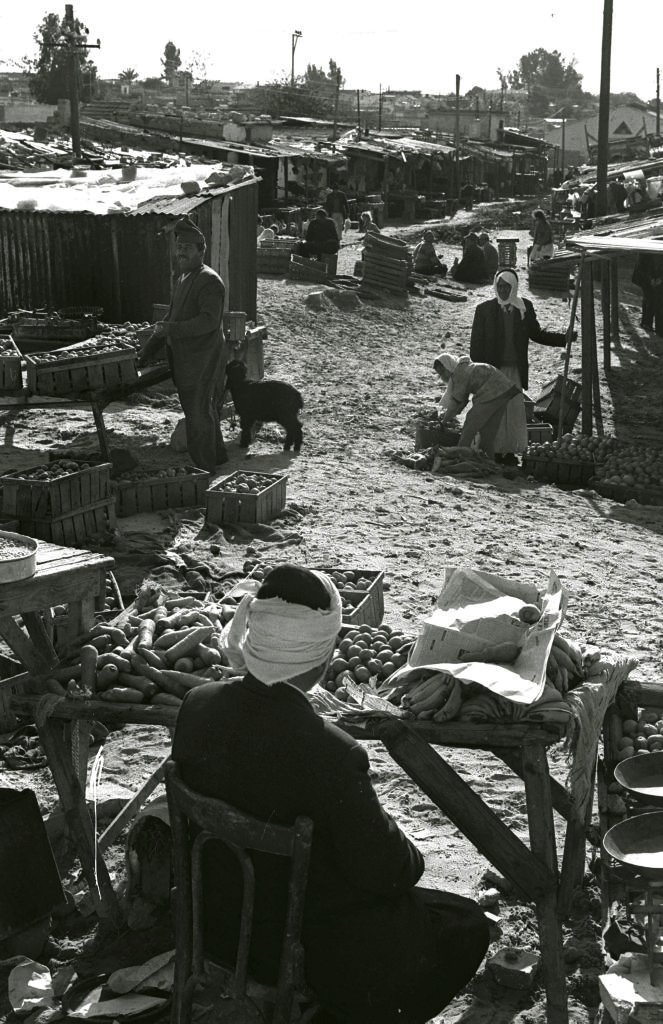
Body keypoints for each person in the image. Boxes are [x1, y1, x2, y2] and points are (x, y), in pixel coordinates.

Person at [172, 564, 490, 1024]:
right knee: (464, 924)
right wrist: (406, 850)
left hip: (215, 928)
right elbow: (388, 873)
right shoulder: (331, 751)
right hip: (295, 949)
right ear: (323, 658)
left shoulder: (196, 705)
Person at [139, 216, 228, 471]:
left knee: (197, 412)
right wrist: (146, 352)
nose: (181, 253)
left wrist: (172, 330)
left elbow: (208, 321)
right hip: (187, 357)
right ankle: (217, 456)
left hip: (202, 357)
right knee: (203, 408)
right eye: (179, 248)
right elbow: (171, 316)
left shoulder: (209, 280)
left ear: (201, 251)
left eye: (187, 248)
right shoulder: (184, 277)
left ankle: (204, 467)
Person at [470, 269, 568, 463]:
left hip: (514, 370)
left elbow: (537, 334)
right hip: (493, 371)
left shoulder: (524, 308)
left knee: (513, 411)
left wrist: (563, 339)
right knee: (493, 411)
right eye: (500, 286)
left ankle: (508, 451)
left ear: (514, 287)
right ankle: (491, 450)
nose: (503, 290)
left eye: (507, 287)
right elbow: (476, 346)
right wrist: (483, 372)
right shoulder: (484, 309)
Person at [434, 352, 527, 461]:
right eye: (439, 374)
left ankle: (459, 456)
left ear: (448, 366)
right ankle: (489, 461)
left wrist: (444, 421)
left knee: (470, 425)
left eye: (443, 372)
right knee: (488, 432)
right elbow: (462, 400)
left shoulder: (459, 373)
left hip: (491, 391)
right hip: (504, 391)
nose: (442, 376)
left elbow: (456, 402)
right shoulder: (464, 366)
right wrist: (452, 414)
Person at [632, 252, 663, 335]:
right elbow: (641, 267)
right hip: (645, 277)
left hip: (658, 277)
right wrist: (650, 279)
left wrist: (661, 279)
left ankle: (659, 328)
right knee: (649, 299)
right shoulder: (645, 254)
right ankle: (647, 324)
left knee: (659, 301)